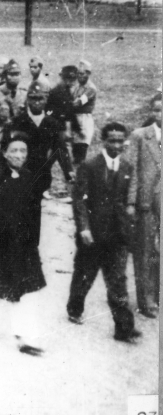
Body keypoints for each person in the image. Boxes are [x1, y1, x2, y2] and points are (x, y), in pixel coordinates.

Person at [67, 122, 141, 343]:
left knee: (118, 280)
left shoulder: (127, 167)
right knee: (84, 275)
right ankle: (75, 308)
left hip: (117, 235)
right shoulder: (89, 166)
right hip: (93, 233)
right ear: (103, 141)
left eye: (120, 141)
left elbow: (126, 200)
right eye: (112, 140)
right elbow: (79, 200)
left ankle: (124, 327)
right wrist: (84, 228)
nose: (116, 145)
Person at [0, 132, 45, 356]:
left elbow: (35, 213)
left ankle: (22, 333)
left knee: (25, 288)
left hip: (23, 245)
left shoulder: (30, 178)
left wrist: (34, 242)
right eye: (14, 150)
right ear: (4, 153)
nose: (19, 155)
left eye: (23, 151)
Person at [7, 82, 74, 212]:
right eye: (33, 98)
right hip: (20, 175)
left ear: (46, 100)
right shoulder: (18, 121)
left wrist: (69, 171)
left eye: (40, 98)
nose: (36, 102)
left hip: (42, 176)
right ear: (27, 99)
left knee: (34, 214)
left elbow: (60, 148)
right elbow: (6, 150)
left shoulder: (52, 123)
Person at [126, 95, 162, 319]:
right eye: (157, 110)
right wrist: (131, 201)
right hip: (146, 202)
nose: (161, 114)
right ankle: (146, 300)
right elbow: (132, 171)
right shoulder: (140, 136)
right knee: (145, 250)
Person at [71, 59, 98, 165]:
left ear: (88, 74)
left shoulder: (91, 88)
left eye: (82, 74)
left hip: (84, 119)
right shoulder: (77, 86)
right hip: (75, 118)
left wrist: (64, 105)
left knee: (82, 145)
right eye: (78, 74)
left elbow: (78, 103)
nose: (79, 76)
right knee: (75, 145)